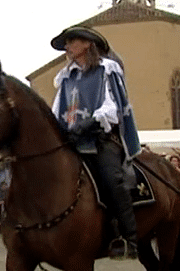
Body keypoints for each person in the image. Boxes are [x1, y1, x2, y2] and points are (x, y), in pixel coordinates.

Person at [50, 25, 141, 259]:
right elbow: (56, 109)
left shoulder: (106, 70)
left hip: (101, 138)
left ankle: (130, 238)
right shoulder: (66, 78)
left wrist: (86, 124)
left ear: (88, 44)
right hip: (72, 141)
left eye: (72, 42)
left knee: (112, 179)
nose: (68, 47)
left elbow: (111, 107)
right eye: (67, 43)